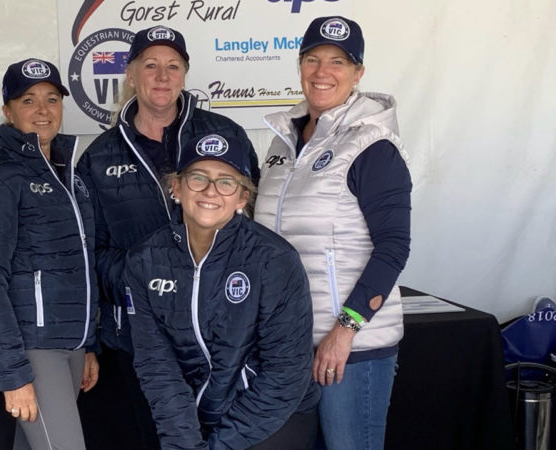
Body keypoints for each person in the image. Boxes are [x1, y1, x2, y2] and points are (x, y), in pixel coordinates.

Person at [76, 25, 260, 449]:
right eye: (151, 65)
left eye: (172, 66)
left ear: (184, 74)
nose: (162, 76)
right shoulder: (100, 155)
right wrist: (150, 279)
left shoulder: (225, 134)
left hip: (219, 330)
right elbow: (90, 251)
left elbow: (252, 230)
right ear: (131, 73)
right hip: (138, 333)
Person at [253, 16, 412, 450]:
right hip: (289, 343)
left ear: (358, 73)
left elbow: (394, 248)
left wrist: (345, 330)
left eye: (338, 62)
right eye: (313, 59)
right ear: (300, 65)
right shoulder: (283, 141)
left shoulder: (372, 145)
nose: (323, 72)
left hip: (350, 347)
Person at [124, 132, 319, 450]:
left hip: (271, 414)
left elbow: (285, 373)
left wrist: (221, 445)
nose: (210, 191)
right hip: (195, 417)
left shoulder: (274, 259)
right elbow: (157, 366)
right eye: (197, 178)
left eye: (226, 181)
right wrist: (184, 443)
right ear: (176, 187)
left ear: (242, 197)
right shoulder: (144, 260)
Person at [0, 58, 99, 450]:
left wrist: (89, 342)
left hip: (71, 344)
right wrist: (11, 373)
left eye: (52, 99)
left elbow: (81, 264)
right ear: (7, 110)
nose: (43, 110)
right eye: (28, 100)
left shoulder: (69, 173)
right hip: (33, 349)